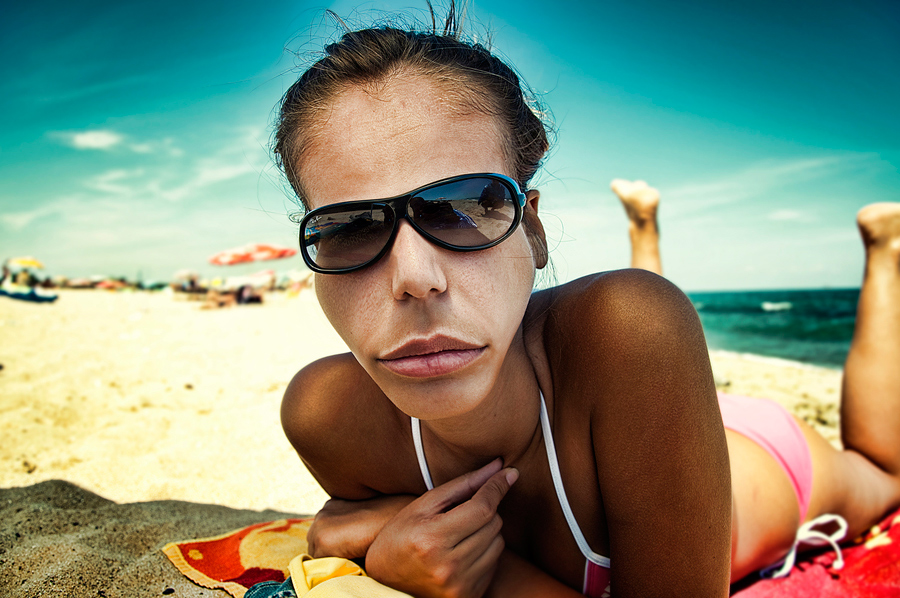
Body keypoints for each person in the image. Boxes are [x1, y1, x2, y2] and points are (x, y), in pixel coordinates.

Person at [274, 9, 900, 597]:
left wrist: (416, 557)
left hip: (751, 456)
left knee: (882, 473)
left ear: (533, 231)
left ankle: (884, 251)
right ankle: (645, 229)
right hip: (628, 400)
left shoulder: (634, 328)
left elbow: (641, 323)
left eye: (462, 208)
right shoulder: (327, 418)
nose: (415, 278)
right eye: (351, 227)